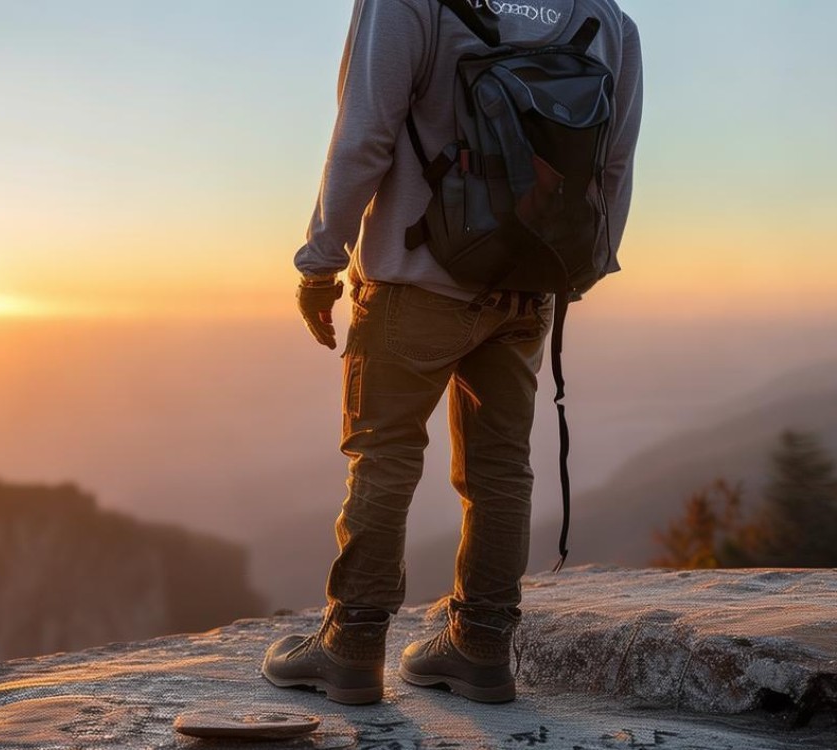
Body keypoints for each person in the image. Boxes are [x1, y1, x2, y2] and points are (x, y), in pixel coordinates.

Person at [261, 0, 643, 705]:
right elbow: (613, 163)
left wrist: (320, 261)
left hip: (414, 280)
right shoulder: (605, 19)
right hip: (528, 286)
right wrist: (579, 269)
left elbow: (364, 133)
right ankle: (482, 646)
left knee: (384, 455)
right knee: (501, 467)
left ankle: (351, 646)